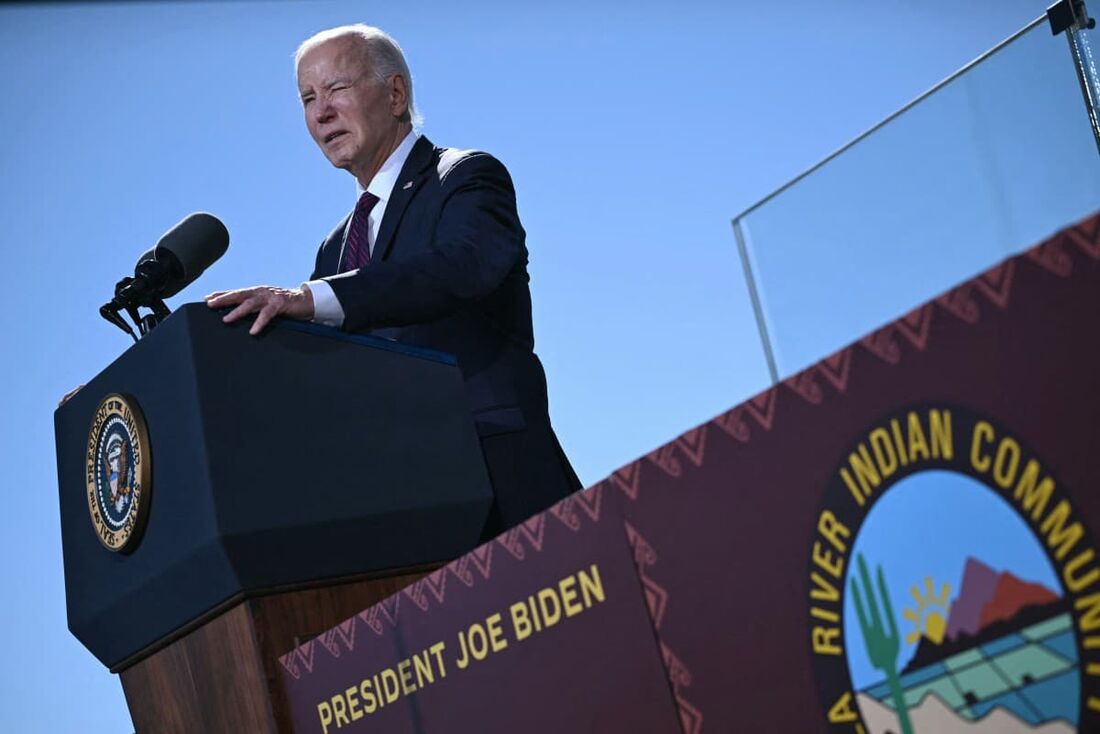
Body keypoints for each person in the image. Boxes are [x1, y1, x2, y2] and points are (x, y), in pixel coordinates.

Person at [205, 25, 581, 535]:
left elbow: (461, 267)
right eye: (308, 99)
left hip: (503, 479)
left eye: (337, 89)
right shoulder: (334, 249)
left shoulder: (465, 177)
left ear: (396, 93)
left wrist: (310, 297)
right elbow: (308, 366)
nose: (321, 113)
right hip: (405, 509)